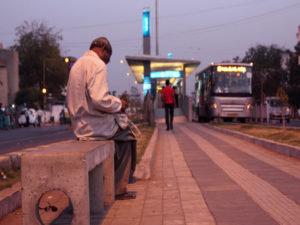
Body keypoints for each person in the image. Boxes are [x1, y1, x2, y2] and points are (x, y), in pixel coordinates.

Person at [66, 37, 136, 200]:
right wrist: (120, 104)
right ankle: (119, 188)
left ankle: (108, 180)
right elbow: (99, 99)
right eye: (108, 57)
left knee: (120, 132)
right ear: (104, 49)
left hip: (80, 126)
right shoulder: (97, 64)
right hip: (94, 127)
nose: (108, 61)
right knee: (127, 135)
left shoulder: (77, 65)